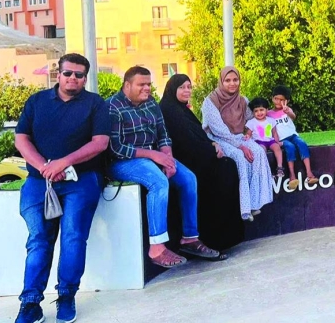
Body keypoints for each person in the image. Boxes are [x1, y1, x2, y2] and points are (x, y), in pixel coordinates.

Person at [13, 53, 110, 323]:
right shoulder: (37, 102)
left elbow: (100, 143)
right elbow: (21, 139)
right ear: (59, 74)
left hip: (81, 181)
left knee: (73, 238)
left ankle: (66, 296)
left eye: (79, 75)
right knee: (38, 242)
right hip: (39, 183)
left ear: (85, 78)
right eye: (68, 73)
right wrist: (45, 167)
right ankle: (30, 303)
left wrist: (64, 162)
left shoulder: (95, 104)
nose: (73, 79)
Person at [107, 66, 221, 269]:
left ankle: (189, 238)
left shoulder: (151, 102)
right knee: (158, 182)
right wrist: (154, 155)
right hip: (123, 161)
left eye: (148, 84)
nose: (147, 88)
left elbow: (163, 134)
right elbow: (116, 148)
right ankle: (157, 248)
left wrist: (167, 157)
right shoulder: (112, 107)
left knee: (188, 179)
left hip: (154, 156)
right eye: (141, 84)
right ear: (127, 85)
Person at [159, 74, 245, 253]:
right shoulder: (168, 110)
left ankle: (225, 238)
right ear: (172, 89)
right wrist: (211, 151)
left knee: (228, 167)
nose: (187, 91)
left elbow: (197, 134)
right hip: (184, 159)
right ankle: (212, 239)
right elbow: (184, 142)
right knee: (223, 171)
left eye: (189, 87)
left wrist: (212, 144)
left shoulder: (182, 110)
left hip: (198, 154)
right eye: (182, 87)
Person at [202, 66, 274, 221]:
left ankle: (255, 203)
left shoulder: (242, 100)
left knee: (258, 152)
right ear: (221, 81)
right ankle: (244, 209)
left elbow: (251, 120)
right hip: (218, 138)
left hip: (239, 136)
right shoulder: (211, 101)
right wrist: (241, 146)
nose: (232, 83)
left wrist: (251, 136)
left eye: (235, 80)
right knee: (239, 157)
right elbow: (218, 130)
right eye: (227, 80)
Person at [269, 85, 318, 186]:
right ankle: (292, 175)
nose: (278, 102)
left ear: (287, 101)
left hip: (293, 135)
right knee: (290, 147)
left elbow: (293, 116)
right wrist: (276, 141)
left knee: (302, 143)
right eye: (276, 99)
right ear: (272, 98)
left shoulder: (287, 109)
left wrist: (288, 111)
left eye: (281, 100)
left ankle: (309, 173)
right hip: (282, 139)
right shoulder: (269, 114)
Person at [246, 96, 286, 181]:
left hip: (270, 140)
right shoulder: (251, 122)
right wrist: (247, 136)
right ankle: (266, 170)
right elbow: (249, 133)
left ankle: (280, 167)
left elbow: (274, 133)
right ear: (253, 112)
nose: (259, 113)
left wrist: (277, 141)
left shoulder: (271, 120)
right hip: (259, 142)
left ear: (267, 110)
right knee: (262, 150)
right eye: (256, 111)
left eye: (261, 110)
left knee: (277, 148)